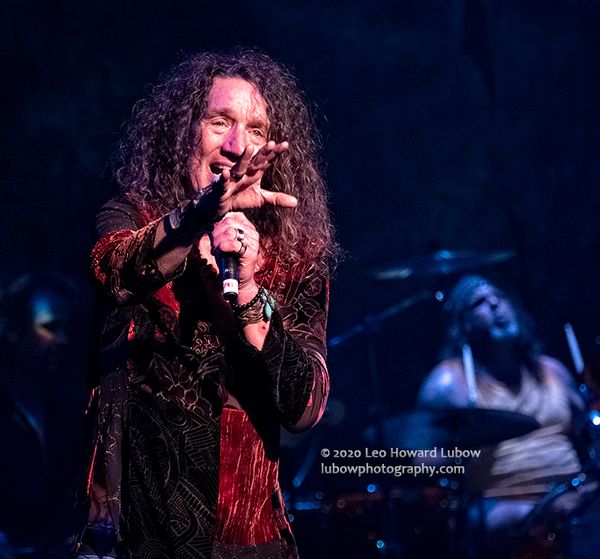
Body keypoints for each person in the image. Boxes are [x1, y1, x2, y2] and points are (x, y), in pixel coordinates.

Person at [73, 49, 336, 559]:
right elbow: (115, 273)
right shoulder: (131, 216)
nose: (237, 146)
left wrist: (251, 291)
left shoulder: (296, 256)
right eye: (220, 122)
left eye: (256, 130)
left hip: (248, 539)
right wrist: (198, 215)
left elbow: (305, 408)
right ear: (182, 131)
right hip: (137, 532)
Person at [417, 275, 583, 558]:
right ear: (464, 324)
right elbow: (421, 456)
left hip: (571, 492)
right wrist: (458, 450)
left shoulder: (552, 370)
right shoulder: (450, 382)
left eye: (499, 297)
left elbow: (586, 432)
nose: (494, 305)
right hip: (501, 504)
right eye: (480, 303)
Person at [0, 272, 83, 558]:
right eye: (51, 327)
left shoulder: (66, 406)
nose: (63, 340)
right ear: (13, 329)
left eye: (66, 328)